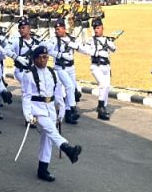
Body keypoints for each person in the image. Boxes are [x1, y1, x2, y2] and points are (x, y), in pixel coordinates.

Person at [19, 45, 81, 182]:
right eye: (41, 57)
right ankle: (68, 149)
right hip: (38, 110)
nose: (44, 60)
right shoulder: (29, 75)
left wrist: (62, 109)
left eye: (46, 57)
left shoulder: (52, 73)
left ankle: (43, 169)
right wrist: (28, 115)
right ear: (35, 59)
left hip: (50, 109)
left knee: (47, 139)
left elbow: (58, 93)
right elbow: (26, 96)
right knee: (51, 130)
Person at [77, 17, 115, 121]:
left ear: (102, 28)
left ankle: (103, 107)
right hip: (96, 66)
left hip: (106, 66)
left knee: (106, 87)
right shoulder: (91, 40)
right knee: (103, 84)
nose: (96, 30)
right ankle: (100, 107)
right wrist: (96, 52)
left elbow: (114, 49)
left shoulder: (106, 39)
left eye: (98, 28)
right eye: (95, 28)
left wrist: (109, 43)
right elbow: (86, 50)